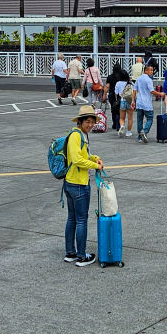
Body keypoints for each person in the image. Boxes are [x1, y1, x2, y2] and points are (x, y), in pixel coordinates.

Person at [63, 105, 103, 265]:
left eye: (93, 122)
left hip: (71, 183)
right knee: (80, 220)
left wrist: (95, 158)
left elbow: (84, 155)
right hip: (78, 184)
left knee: (72, 219)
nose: (90, 125)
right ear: (80, 121)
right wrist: (95, 166)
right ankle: (81, 256)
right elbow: (77, 159)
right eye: (87, 121)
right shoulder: (76, 135)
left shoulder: (82, 135)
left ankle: (70, 253)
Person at [134, 63, 160, 142]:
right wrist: (160, 94)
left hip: (139, 103)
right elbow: (152, 91)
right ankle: (144, 131)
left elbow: (134, 90)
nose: (152, 72)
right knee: (150, 118)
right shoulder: (148, 80)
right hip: (146, 103)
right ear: (145, 71)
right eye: (150, 70)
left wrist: (132, 101)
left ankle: (140, 137)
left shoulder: (138, 79)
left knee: (139, 120)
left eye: (152, 70)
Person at [105, 61, 130, 134]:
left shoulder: (110, 76)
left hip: (112, 94)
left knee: (113, 109)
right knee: (119, 110)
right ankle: (118, 124)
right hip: (120, 96)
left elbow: (107, 86)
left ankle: (114, 124)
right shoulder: (121, 77)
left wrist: (104, 94)